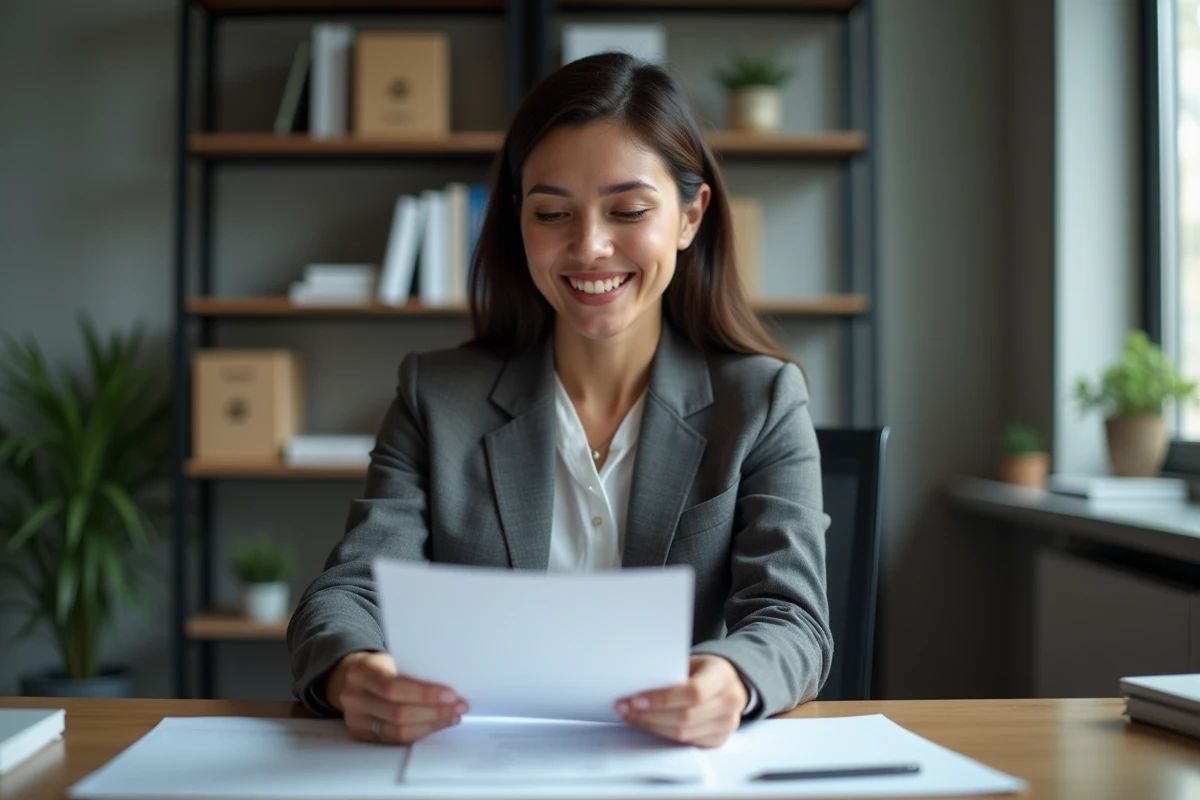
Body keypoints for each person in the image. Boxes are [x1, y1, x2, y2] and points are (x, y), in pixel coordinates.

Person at [288, 52, 833, 750]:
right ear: (519, 220)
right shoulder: (436, 396)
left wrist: (731, 679)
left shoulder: (762, 400)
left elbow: (793, 621)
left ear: (692, 216)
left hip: (672, 769)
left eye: (628, 210)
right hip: (475, 768)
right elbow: (345, 595)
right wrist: (352, 672)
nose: (589, 247)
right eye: (553, 213)